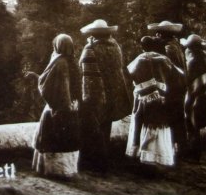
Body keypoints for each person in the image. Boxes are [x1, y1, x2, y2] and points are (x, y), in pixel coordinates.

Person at [78, 19, 133, 171]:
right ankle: (105, 158)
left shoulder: (91, 48)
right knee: (105, 126)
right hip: (114, 94)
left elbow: (82, 69)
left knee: (92, 127)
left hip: (96, 93)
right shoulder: (115, 46)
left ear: (93, 34)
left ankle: (95, 162)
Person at [125, 36, 184, 167]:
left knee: (142, 123)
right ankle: (160, 157)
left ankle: (141, 155)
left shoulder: (139, 59)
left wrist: (142, 87)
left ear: (142, 47)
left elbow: (129, 75)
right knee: (160, 124)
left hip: (143, 98)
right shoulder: (164, 59)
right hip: (163, 98)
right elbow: (178, 75)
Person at [32, 34, 81, 178]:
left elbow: (46, 86)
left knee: (50, 137)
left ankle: (54, 170)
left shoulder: (58, 62)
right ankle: (67, 170)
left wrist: (37, 78)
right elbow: (76, 86)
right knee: (68, 138)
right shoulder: (73, 61)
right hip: (72, 106)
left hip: (56, 107)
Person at [147, 20, 187, 156]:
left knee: (172, 117)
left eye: (158, 33)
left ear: (162, 34)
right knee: (179, 117)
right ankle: (181, 147)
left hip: (172, 86)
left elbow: (168, 68)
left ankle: (173, 149)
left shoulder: (168, 48)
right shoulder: (177, 46)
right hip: (180, 85)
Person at [180, 34, 206, 161]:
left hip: (195, 95)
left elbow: (188, 79)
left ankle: (194, 154)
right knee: (195, 125)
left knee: (192, 125)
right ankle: (194, 153)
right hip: (202, 93)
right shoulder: (203, 58)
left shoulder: (194, 61)